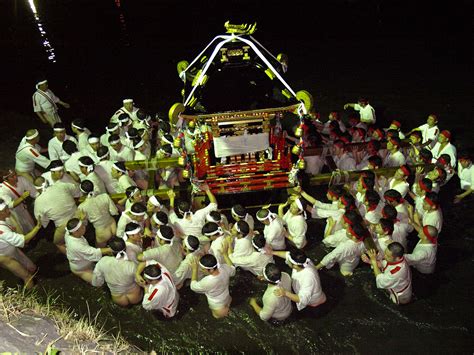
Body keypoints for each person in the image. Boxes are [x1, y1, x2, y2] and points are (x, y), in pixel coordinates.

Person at [0, 199, 42, 288]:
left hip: (10, 249)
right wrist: (37, 227)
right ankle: (30, 297)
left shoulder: (4, 221)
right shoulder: (2, 230)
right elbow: (25, 240)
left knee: (30, 267)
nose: (8, 210)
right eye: (5, 210)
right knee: (27, 277)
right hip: (5, 257)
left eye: (7, 208)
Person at [33, 176, 80, 254]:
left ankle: (72, 256)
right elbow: (77, 191)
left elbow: (42, 222)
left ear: (37, 189)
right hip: (79, 216)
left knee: (58, 243)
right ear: (47, 181)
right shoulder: (61, 185)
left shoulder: (38, 201)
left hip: (65, 226)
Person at [92, 237, 142, 307]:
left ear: (110, 249)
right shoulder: (131, 265)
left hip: (118, 299)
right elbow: (139, 280)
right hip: (136, 296)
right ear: (125, 248)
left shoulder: (103, 262)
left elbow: (96, 282)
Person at [190, 248, 236, 319]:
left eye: (202, 269)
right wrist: (224, 254)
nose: (202, 271)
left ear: (211, 270)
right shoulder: (224, 268)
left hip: (218, 307)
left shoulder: (207, 281)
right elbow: (233, 269)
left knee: (215, 316)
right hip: (227, 298)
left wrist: (194, 270)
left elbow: (193, 286)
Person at [64, 218, 112, 283]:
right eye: (82, 227)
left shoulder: (68, 233)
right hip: (81, 268)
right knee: (99, 282)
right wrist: (110, 249)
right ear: (75, 232)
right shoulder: (76, 245)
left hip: (85, 261)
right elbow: (94, 252)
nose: (84, 227)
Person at [77, 180, 118, 247]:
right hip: (113, 225)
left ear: (82, 192)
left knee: (102, 252)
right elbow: (114, 212)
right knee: (117, 246)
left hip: (102, 231)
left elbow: (85, 223)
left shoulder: (82, 207)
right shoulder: (105, 196)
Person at [0, 168, 37, 234]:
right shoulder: (2, 189)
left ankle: (34, 235)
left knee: (30, 222)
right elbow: (10, 205)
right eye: (12, 176)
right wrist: (22, 197)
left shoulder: (21, 179)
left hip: (23, 206)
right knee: (20, 226)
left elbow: (34, 192)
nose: (15, 177)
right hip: (12, 212)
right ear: (6, 179)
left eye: (15, 174)